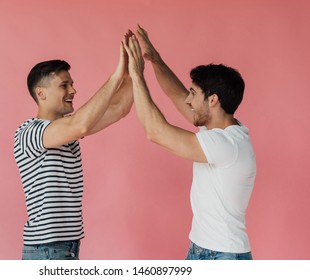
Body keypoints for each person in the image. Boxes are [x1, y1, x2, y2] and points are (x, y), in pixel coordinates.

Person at [124, 25, 256, 260]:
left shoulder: (225, 144)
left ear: (213, 100)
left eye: (193, 93)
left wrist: (137, 75)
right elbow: (176, 93)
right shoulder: (220, 128)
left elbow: (155, 132)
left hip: (223, 256)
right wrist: (155, 59)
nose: (188, 99)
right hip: (201, 248)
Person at [14, 33, 133, 260]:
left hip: (66, 246)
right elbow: (81, 124)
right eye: (64, 85)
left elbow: (119, 109)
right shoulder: (29, 132)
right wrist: (116, 76)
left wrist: (131, 71)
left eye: (72, 84)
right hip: (46, 249)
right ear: (41, 93)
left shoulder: (64, 131)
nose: (73, 91)